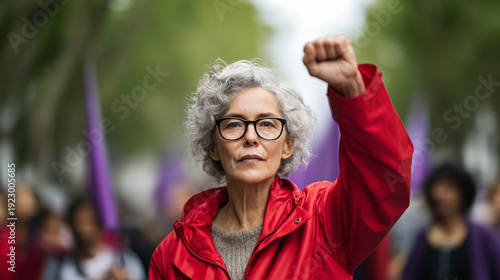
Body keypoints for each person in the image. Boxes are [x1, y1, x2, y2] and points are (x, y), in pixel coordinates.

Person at [149, 34, 413, 279]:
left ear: (287, 145)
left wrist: (353, 90)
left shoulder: (323, 220)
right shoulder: (170, 255)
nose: (250, 137)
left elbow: (386, 181)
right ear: (213, 147)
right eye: (233, 124)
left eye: (266, 124)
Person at [403, 163, 500, 280]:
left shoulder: (483, 237)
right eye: (435, 188)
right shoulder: (423, 236)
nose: (439, 195)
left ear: (463, 193)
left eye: (448, 189)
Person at [59, 198, 145, 280]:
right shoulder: (69, 269)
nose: (91, 227)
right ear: (73, 227)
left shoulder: (126, 257)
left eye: (94, 220)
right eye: (83, 222)